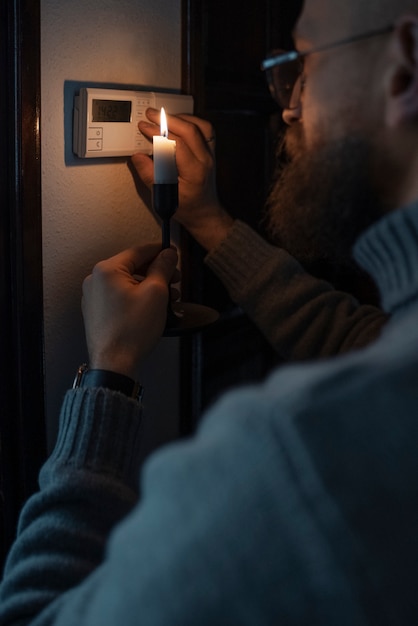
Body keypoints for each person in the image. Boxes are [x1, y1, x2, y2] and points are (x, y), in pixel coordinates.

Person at [1, 0, 418, 622]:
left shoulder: (295, 462)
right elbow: (360, 338)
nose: (289, 105)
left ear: (404, 69)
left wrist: (109, 372)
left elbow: (38, 615)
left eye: (303, 65)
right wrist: (208, 221)